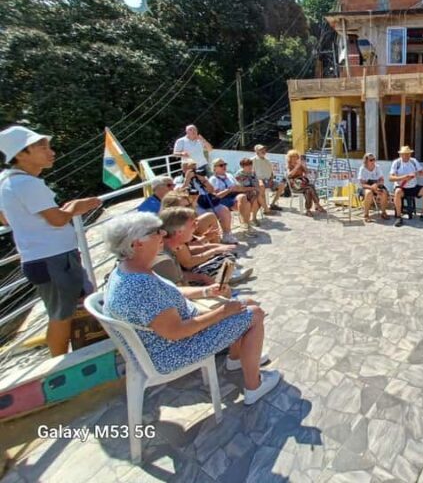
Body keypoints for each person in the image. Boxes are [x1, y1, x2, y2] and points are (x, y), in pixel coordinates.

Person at [102, 212, 278, 405]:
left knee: (247, 303)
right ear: (136, 243)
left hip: (164, 343)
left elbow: (170, 293)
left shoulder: (128, 269)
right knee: (255, 314)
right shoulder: (141, 286)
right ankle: (254, 386)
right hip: (174, 351)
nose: (162, 234)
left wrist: (205, 291)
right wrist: (222, 312)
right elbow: (176, 332)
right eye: (155, 232)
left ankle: (235, 359)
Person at [0, 126, 102, 356]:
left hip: (42, 258)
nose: (50, 151)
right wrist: (76, 207)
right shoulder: (27, 184)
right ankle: (58, 363)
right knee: (62, 315)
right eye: (41, 147)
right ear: (21, 154)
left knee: (62, 311)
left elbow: (6, 218)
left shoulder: (6, 182)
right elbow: (56, 220)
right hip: (53, 259)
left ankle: (67, 356)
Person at [153, 208, 251, 286]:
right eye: (193, 224)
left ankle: (221, 282)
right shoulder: (164, 258)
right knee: (226, 258)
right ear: (179, 231)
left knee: (226, 255)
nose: (196, 226)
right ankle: (221, 281)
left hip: (185, 281)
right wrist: (204, 287)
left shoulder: (173, 244)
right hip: (185, 289)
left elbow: (180, 272)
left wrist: (210, 244)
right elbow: (181, 283)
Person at [175, 160, 237, 244]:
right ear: (184, 169)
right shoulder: (178, 179)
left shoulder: (200, 177)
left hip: (207, 201)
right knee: (208, 216)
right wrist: (187, 180)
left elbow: (212, 191)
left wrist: (204, 180)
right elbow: (179, 193)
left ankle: (227, 235)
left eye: (195, 168)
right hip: (194, 205)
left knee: (224, 210)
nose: (194, 170)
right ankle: (212, 240)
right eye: (191, 169)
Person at [210, 158, 256, 237]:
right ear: (214, 168)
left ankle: (245, 225)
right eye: (221, 165)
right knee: (245, 202)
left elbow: (239, 186)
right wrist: (228, 190)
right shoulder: (213, 179)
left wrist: (238, 188)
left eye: (225, 164)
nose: (224, 166)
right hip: (222, 200)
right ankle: (245, 225)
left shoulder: (229, 175)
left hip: (235, 198)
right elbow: (216, 196)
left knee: (244, 199)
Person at [390, 146, 423, 228]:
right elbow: (391, 178)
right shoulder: (397, 163)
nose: (407, 156)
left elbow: (421, 171)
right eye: (404, 154)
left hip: (413, 187)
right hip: (401, 187)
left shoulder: (413, 161)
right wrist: (404, 177)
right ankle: (399, 217)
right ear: (401, 155)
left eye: (408, 154)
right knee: (397, 192)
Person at [286, 150, 326, 217]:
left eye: (296, 156)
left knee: (308, 190)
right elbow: (289, 175)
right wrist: (296, 167)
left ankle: (308, 210)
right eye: (293, 157)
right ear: (290, 158)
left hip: (303, 184)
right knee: (310, 187)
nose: (295, 158)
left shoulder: (299, 164)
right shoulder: (289, 166)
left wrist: (303, 165)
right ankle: (317, 205)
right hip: (295, 186)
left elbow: (307, 172)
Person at [253, 145, 285, 215]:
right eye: (261, 150)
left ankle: (272, 204)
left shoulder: (267, 160)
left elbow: (272, 173)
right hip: (259, 180)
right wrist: (259, 180)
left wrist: (271, 179)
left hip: (268, 180)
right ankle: (265, 209)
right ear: (257, 151)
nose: (263, 151)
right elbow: (252, 173)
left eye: (264, 149)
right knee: (262, 187)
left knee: (282, 185)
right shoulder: (253, 160)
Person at [357, 153, 389, 222]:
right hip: (366, 186)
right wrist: (372, 188)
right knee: (369, 193)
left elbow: (382, 180)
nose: (373, 161)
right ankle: (366, 215)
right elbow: (362, 184)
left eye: (374, 159)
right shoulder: (363, 169)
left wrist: (376, 185)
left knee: (384, 192)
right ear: (366, 161)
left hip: (376, 185)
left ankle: (383, 212)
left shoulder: (377, 167)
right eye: (371, 160)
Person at [235, 158, 264, 226]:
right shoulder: (239, 175)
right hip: (243, 193)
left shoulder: (253, 172)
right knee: (258, 195)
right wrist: (254, 188)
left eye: (251, 164)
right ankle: (257, 215)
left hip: (253, 191)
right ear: (242, 166)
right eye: (247, 165)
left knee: (259, 193)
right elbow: (241, 188)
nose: (250, 166)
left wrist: (257, 187)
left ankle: (254, 217)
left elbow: (256, 182)